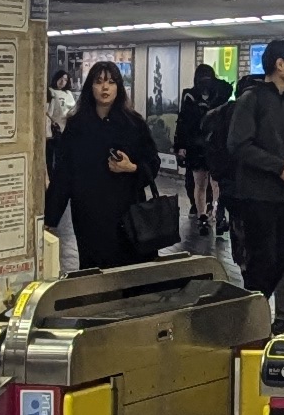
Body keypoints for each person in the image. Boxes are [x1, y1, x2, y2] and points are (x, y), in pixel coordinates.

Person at [225, 38, 284, 326]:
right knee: (261, 259)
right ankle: (251, 317)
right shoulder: (252, 99)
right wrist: (278, 167)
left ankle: (253, 309)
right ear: (280, 64)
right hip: (257, 195)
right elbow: (238, 145)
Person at [47, 59, 164, 272]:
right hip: (89, 214)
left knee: (130, 274)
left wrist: (133, 168)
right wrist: (50, 216)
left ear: (118, 87)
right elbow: (64, 174)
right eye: (99, 81)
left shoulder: (133, 124)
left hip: (127, 214)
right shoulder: (77, 126)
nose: (105, 87)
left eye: (111, 82)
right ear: (90, 86)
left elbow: (152, 162)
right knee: (95, 273)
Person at [173, 63, 231, 252]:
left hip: (208, 145)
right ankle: (205, 215)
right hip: (201, 146)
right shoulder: (194, 95)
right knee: (205, 182)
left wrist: (181, 145)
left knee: (208, 182)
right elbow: (183, 122)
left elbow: (183, 122)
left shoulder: (208, 94)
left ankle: (211, 213)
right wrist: (180, 145)